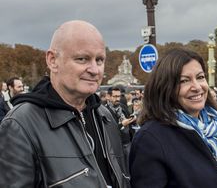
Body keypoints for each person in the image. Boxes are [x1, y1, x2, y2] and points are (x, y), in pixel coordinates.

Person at [0, 20, 130, 187]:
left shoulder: (106, 117)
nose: (94, 70)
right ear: (53, 60)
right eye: (82, 59)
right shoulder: (20, 125)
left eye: (99, 60)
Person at [129, 48, 217, 188]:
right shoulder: (151, 138)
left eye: (200, 77)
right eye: (184, 81)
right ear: (166, 87)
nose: (196, 87)